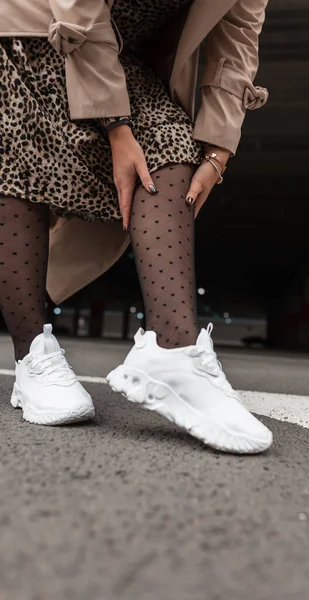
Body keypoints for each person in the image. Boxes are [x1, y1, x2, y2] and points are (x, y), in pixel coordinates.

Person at [0, 0, 272, 453]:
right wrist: (116, 126)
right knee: (22, 159)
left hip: (124, 56)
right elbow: (77, 8)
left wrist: (218, 151)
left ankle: (174, 351)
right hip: (36, 24)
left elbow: (237, 40)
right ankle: (33, 357)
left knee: (170, 143)